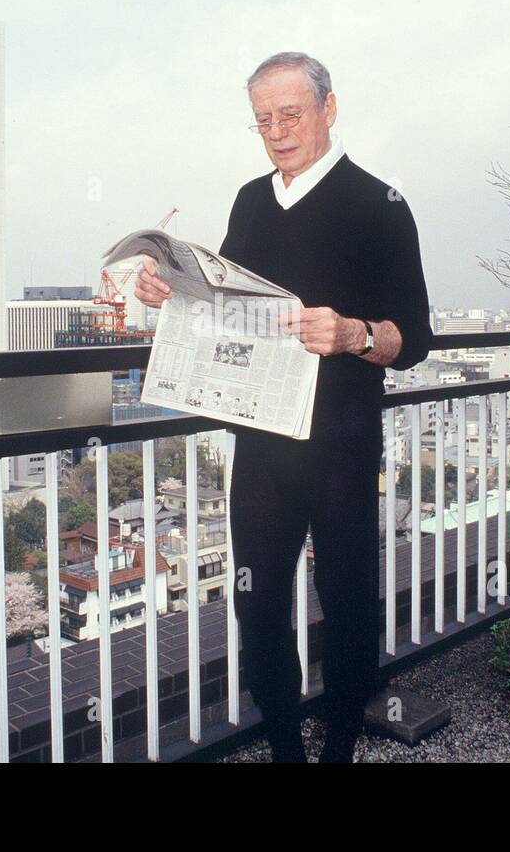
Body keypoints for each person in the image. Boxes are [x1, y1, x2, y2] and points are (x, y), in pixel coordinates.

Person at [135, 52, 431, 762]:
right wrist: (167, 292)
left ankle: (338, 743)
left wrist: (356, 334)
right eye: (263, 119)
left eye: (291, 114)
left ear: (330, 109)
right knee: (257, 599)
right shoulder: (249, 199)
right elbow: (226, 307)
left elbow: (415, 336)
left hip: (343, 436)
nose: (276, 131)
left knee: (347, 592)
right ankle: (282, 744)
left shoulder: (379, 203)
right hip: (262, 435)